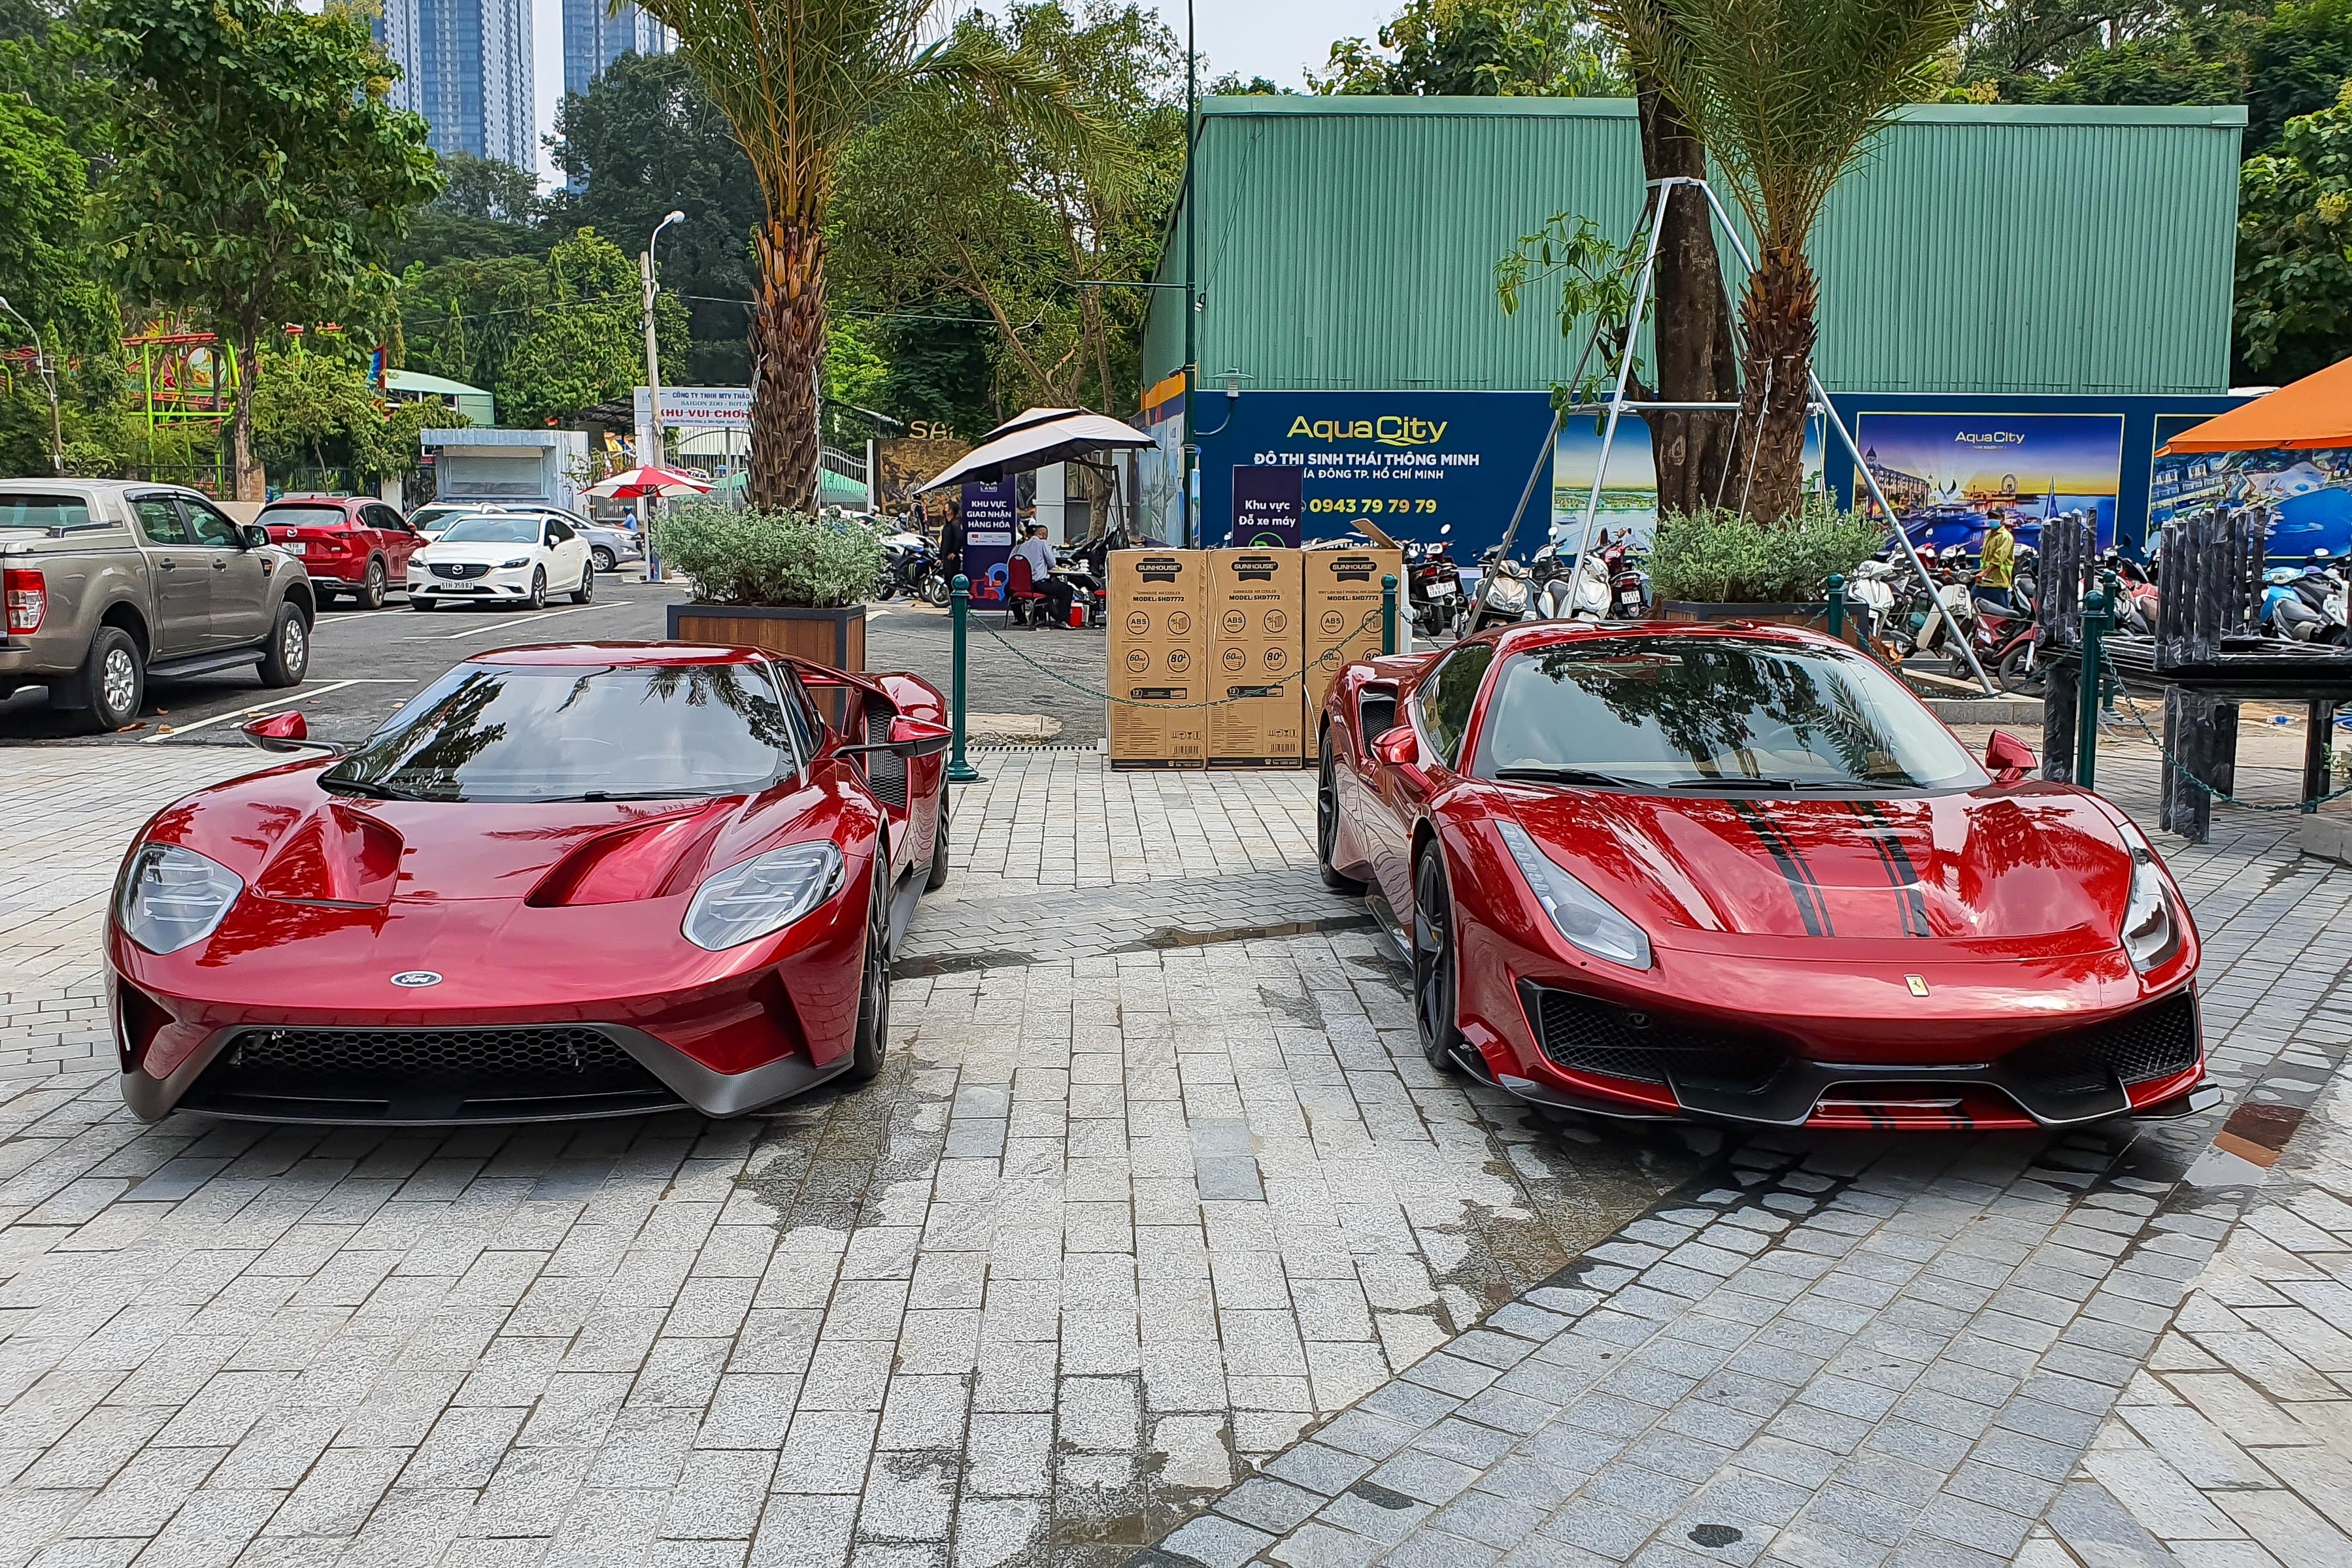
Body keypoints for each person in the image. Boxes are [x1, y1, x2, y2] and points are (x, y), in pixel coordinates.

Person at [1011, 521, 1075, 627]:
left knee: (1051, 592)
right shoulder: (1042, 543)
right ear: (1043, 535)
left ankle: (1039, 617)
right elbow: (1052, 563)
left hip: (1025, 586)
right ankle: (1062, 620)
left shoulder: (1022, 546)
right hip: (1039, 584)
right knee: (1067, 590)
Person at [1978, 511, 2016, 610]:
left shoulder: (2005, 537)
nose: (1992, 520)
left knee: (2000, 613)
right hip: (1984, 582)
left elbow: (1998, 559)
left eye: (1995, 517)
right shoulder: (1989, 535)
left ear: (2002, 519)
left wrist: (1985, 573)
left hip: (1998, 583)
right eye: (1990, 517)